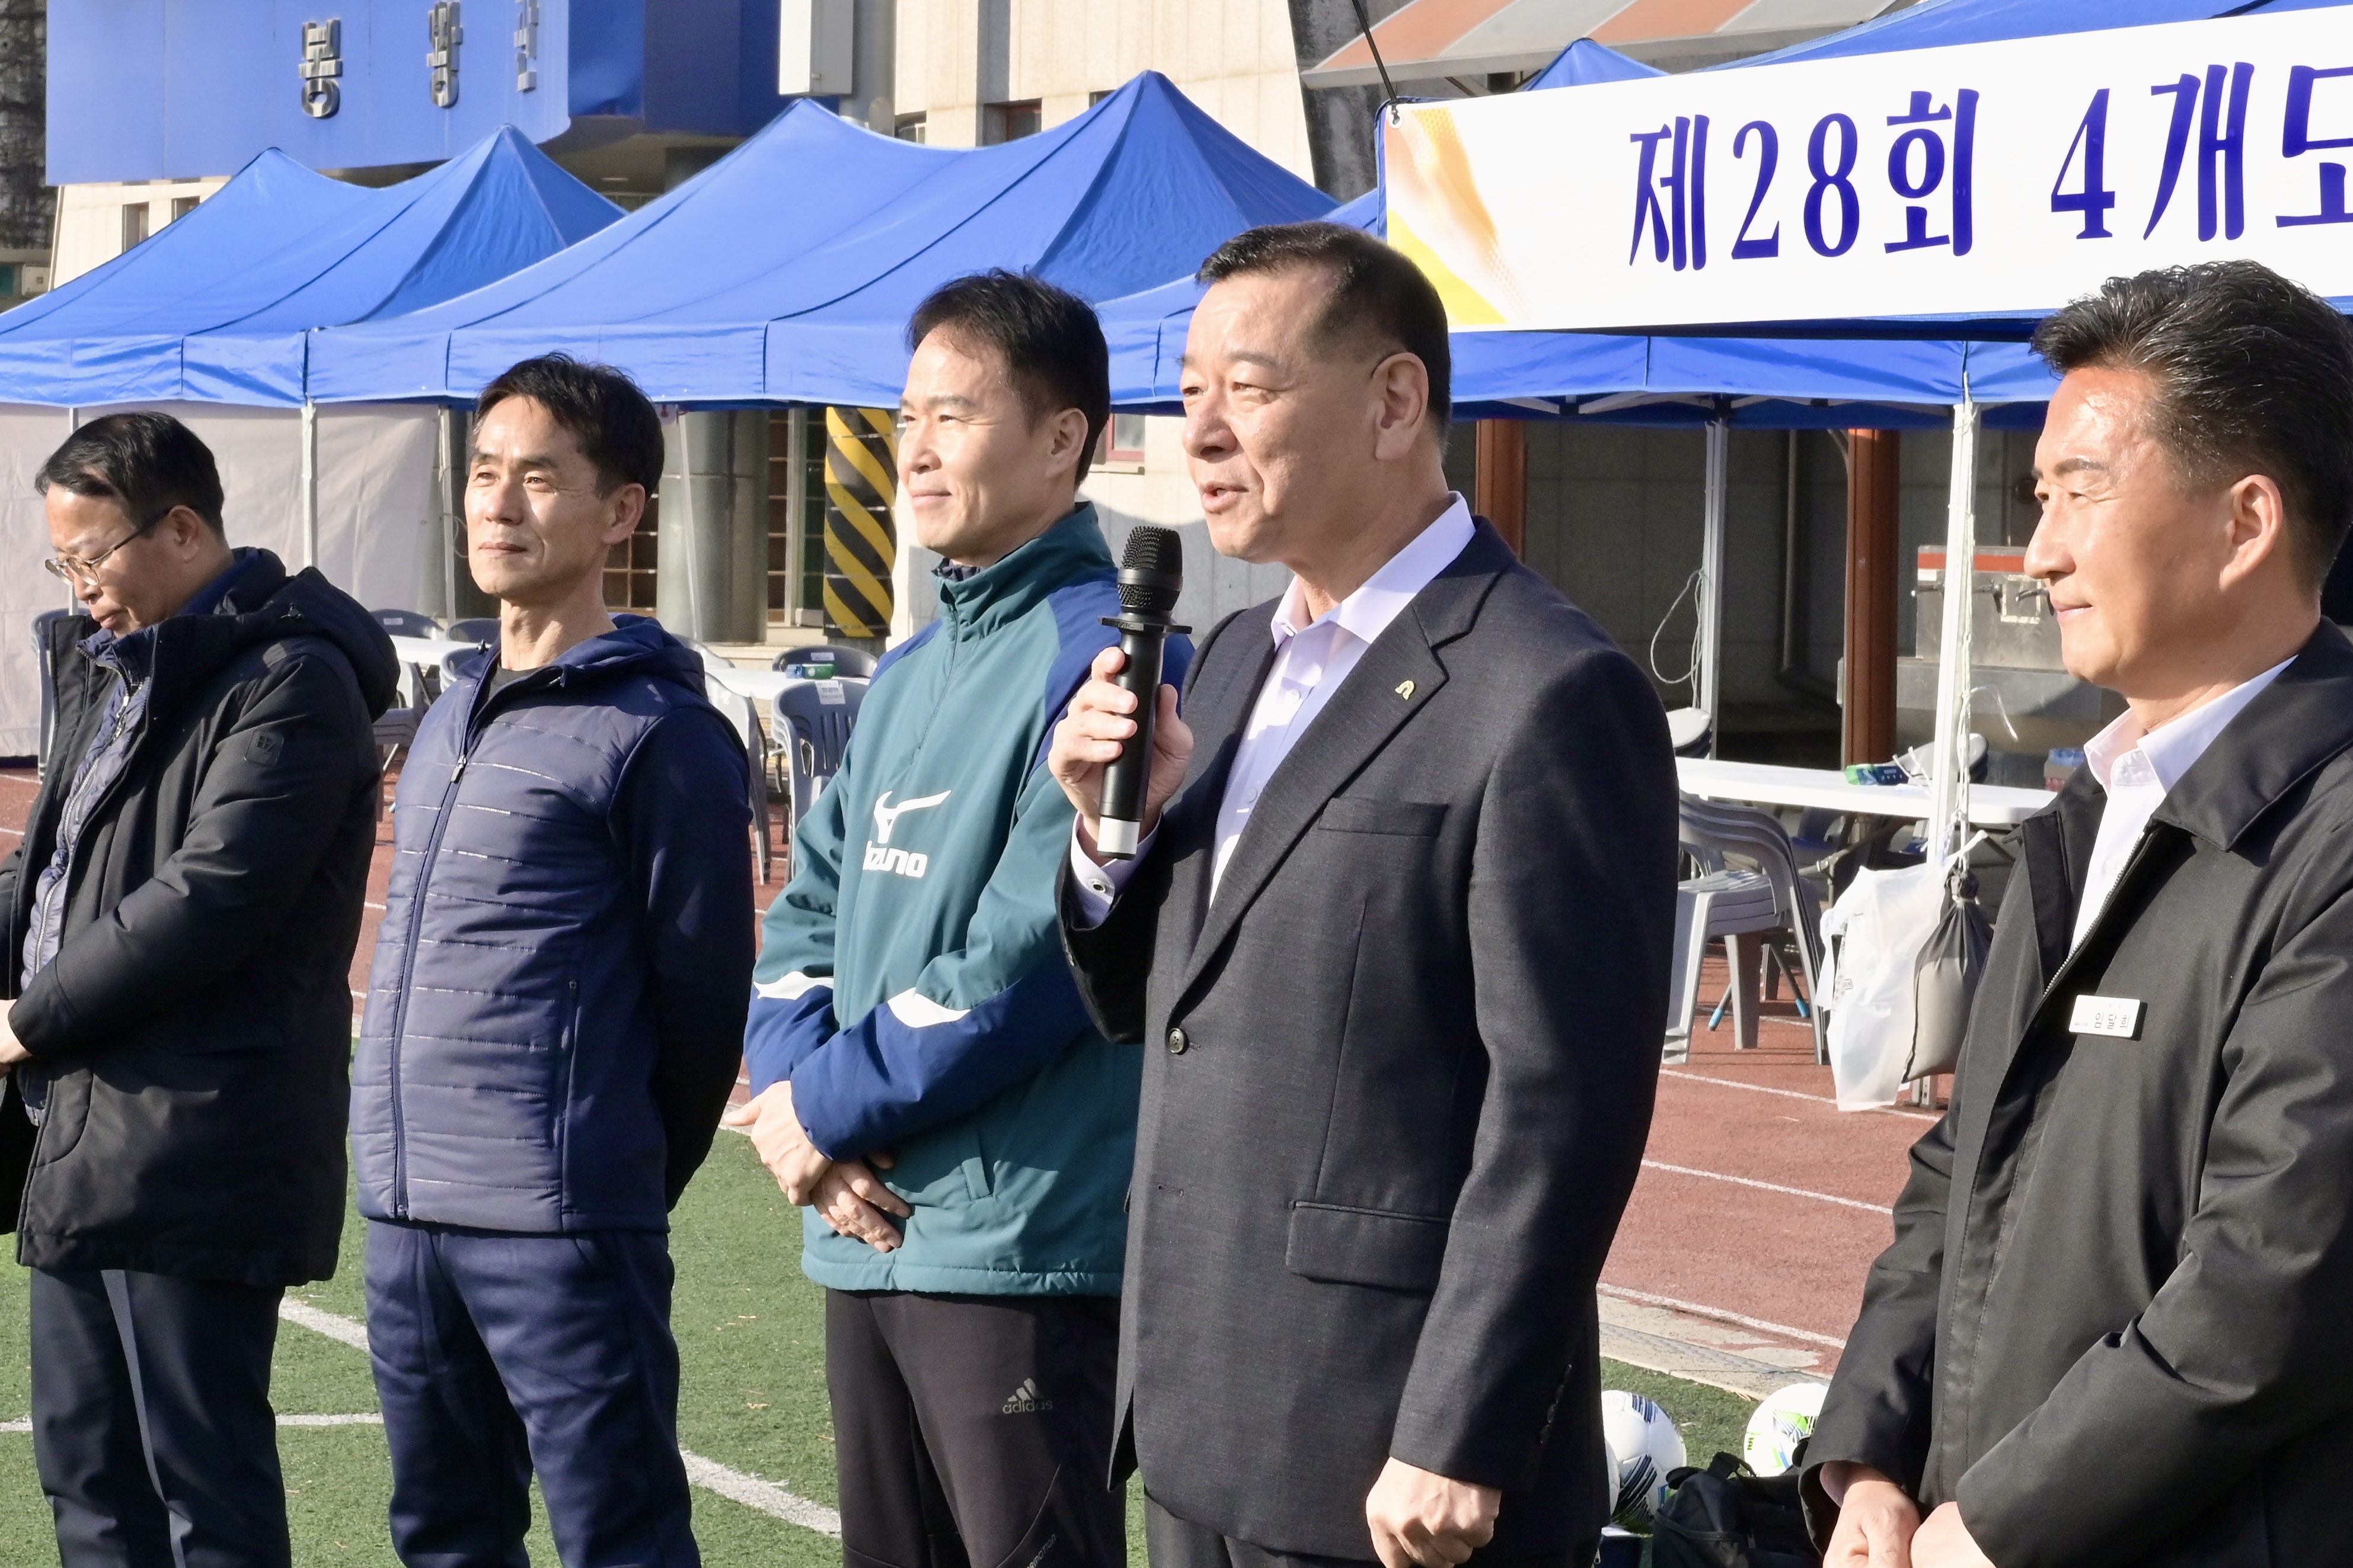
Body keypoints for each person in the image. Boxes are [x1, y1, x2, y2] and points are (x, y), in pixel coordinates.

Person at [1047, 221, 1677, 1568]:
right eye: (1190, 392)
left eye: (1249, 388)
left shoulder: (1547, 689)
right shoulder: (1230, 660)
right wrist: (1107, 840)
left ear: (1394, 402)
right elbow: (1159, 1007)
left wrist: (1460, 1428)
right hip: (1199, 1408)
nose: (1202, 432)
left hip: (1387, 1454)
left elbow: (1563, 1107)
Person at [1806, 262, 2353, 1568]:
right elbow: (1962, 1167)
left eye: (2081, 490)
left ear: (2245, 521)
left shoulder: (2329, 834)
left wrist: (2003, 1524)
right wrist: (1869, 1452)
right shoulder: (2089, 813)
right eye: (2037, 496)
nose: (2041, 549)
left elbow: (2275, 1279)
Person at [730, 270, 1181, 1568]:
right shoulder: (915, 666)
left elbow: (1030, 959)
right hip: (865, 1222)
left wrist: (819, 1112)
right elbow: (804, 915)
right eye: (907, 416)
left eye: (956, 416)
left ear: (1063, 439)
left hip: (1017, 1245)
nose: (916, 449)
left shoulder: (1105, 658)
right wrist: (797, 1110)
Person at [352, 355, 752, 1568]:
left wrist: (604, 1173)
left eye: (538, 478)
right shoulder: (448, 715)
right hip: (407, 1214)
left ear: (622, 511)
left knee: (619, 1542)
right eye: (484, 473)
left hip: (561, 1225)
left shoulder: (661, 734)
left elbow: (702, 1004)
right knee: (443, 1538)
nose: (499, 504)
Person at [0, 411, 396, 1567]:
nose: (82, 590)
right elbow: (51, 870)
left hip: (197, 1139)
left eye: (91, 558)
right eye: (62, 566)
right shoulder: (110, 670)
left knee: (200, 1486)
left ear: (181, 529)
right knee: (87, 1475)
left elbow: (210, 896)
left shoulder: (293, 678)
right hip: (80, 1132)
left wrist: (28, 1019)